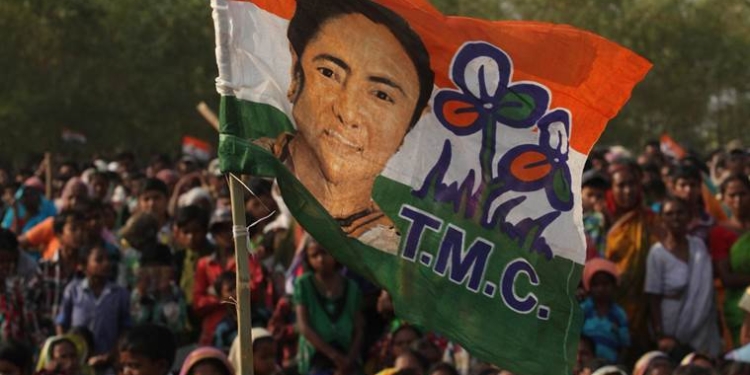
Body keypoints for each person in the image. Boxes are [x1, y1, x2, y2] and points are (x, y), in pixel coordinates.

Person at [257, 0, 434, 251]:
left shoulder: (387, 250)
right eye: (329, 73)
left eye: (381, 96)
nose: (348, 113)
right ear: (295, 71)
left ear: (407, 128)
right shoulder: (247, 172)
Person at [645, 197, 722, 356]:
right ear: (662, 219)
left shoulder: (698, 246)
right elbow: (653, 296)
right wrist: (661, 335)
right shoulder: (657, 253)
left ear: (688, 216)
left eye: (680, 213)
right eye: (669, 213)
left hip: (702, 327)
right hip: (671, 326)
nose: (675, 217)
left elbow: (706, 291)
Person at [604, 161, 661, 352]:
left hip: (643, 305)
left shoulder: (651, 219)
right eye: (621, 185)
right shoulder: (597, 220)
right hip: (604, 303)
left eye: (632, 184)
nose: (627, 191)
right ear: (611, 188)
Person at [294, 237, 364, 375]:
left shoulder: (351, 287)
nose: (320, 259)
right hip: (317, 354)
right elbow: (303, 326)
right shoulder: (303, 284)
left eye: (324, 253)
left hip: (347, 353)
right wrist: (333, 356)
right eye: (314, 255)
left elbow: (359, 328)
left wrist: (348, 359)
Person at [56, 243, 131, 363]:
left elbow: (125, 329)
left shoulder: (119, 294)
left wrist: (111, 355)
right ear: (83, 265)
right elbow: (62, 323)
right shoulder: (73, 290)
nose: (106, 264)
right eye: (99, 260)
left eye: (108, 259)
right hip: (77, 362)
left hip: (108, 361)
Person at [708, 174, 750, 344]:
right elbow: (727, 278)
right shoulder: (720, 233)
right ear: (723, 199)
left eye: (742, 194)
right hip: (738, 306)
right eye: (732, 196)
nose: (738, 200)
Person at [580, 258, 630, 364]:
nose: (601, 289)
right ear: (589, 287)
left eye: (605, 284)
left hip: (610, 363)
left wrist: (618, 366)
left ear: (613, 286)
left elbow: (625, 345)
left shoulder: (619, 314)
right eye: (596, 285)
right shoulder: (584, 309)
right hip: (586, 364)